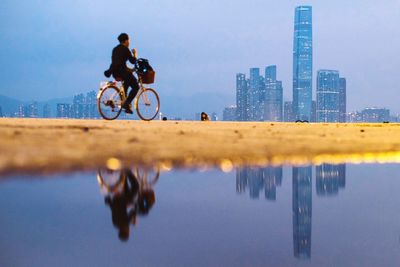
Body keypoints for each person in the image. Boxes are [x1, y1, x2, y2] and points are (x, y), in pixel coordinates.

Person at [105, 33, 139, 114]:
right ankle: (126, 104)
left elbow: (118, 62)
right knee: (136, 87)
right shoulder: (125, 49)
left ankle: (125, 103)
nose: (129, 42)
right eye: (129, 40)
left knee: (127, 82)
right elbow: (133, 61)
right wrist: (135, 54)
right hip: (122, 72)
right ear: (126, 40)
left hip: (114, 72)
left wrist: (131, 70)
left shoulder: (115, 49)